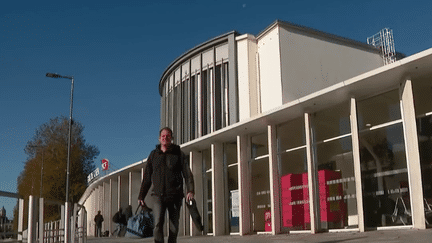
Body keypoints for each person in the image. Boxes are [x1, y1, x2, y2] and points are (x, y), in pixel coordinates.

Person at [138, 127, 194, 243]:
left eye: (168, 136)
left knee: (174, 228)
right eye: (163, 136)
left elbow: (187, 174)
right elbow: (147, 177)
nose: (165, 138)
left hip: (175, 196)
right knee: (158, 224)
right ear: (159, 138)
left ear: (171, 138)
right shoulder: (153, 155)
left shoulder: (178, 154)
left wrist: (190, 190)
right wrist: (141, 196)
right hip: (158, 196)